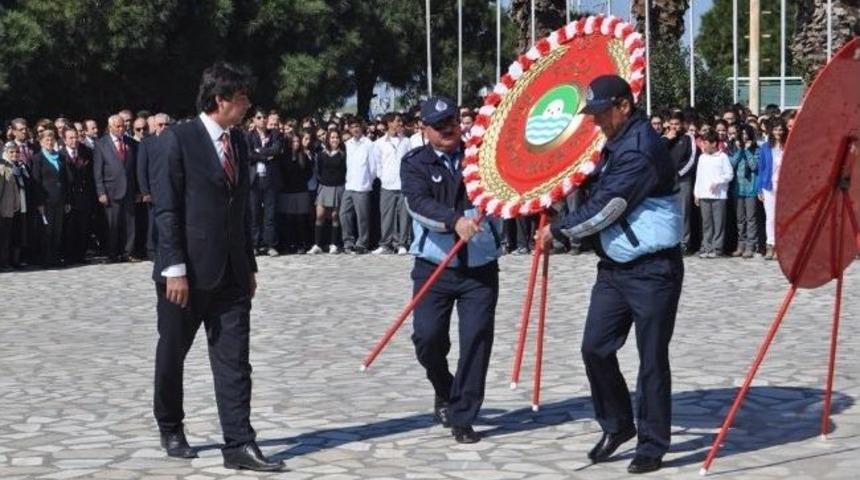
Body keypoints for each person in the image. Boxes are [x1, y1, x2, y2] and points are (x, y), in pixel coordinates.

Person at [537, 75, 683, 474]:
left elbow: (607, 207)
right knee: (595, 347)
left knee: (652, 358)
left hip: (653, 270)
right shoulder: (616, 142)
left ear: (624, 105)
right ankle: (618, 424)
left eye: (601, 112)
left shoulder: (639, 150)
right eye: (592, 113)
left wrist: (559, 229)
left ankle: (652, 445)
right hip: (615, 268)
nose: (595, 121)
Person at [150, 62, 284, 472]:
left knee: (234, 360)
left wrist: (249, 263)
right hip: (185, 274)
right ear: (220, 99)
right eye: (242, 97)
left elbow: (240, 208)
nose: (248, 105)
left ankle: (239, 443)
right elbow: (167, 209)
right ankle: (171, 425)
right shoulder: (177, 139)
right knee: (173, 353)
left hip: (231, 273)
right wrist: (174, 268)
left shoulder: (239, 143)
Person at [401, 96, 503, 444]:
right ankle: (444, 388)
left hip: (480, 266)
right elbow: (418, 204)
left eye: (452, 121)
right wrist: (453, 221)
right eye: (439, 124)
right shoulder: (415, 163)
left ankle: (463, 414)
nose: (448, 129)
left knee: (476, 340)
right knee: (427, 339)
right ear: (424, 129)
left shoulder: (481, 156)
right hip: (434, 265)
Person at [94, 114, 138, 262]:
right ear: (110, 127)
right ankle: (112, 253)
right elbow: (97, 170)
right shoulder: (101, 144)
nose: (121, 129)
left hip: (129, 189)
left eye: (123, 126)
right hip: (111, 190)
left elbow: (135, 169)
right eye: (118, 126)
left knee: (129, 223)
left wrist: (138, 190)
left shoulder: (131, 143)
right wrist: (101, 192)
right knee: (112, 224)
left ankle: (128, 252)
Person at [372, 112, 411, 255]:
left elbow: (410, 161)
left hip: (403, 184)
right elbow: (377, 163)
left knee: (404, 216)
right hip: (387, 184)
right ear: (389, 123)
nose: (400, 124)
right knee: (386, 216)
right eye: (397, 121)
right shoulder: (379, 143)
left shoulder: (407, 141)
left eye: (400, 121)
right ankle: (385, 244)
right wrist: (382, 177)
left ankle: (402, 243)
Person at [247, 109, 283, 257]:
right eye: (259, 117)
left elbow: (276, 150)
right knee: (254, 214)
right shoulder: (248, 136)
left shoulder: (274, 134)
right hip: (254, 180)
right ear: (254, 120)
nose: (262, 120)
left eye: (264, 117)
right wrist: (264, 156)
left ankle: (270, 245)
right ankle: (254, 245)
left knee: (270, 214)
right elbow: (248, 155)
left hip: (270, 179)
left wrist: (259, 151)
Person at [693, 130, 734, 258]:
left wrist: (718, 181)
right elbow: (698, 176)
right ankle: (706, 246)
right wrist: (696, 193)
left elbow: (729, 174)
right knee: (706, 223)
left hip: (719, 195)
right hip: (704, 195)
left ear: (714, 143)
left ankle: (717, 248)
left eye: (705, 143)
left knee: (718, 222)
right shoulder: (702, 158)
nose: (703, 146)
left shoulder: (723, 157)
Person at [61, 128, 96, 264]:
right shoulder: (61, 155)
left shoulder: (86, 152)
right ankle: (69, 255)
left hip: (84, 196)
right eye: (70, 138)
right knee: (70, 227)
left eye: (75, 137)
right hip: (69, 196)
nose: (74, 140)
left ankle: (81, 255)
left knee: (83, 227)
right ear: (64, 140)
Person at [308, 129, 346, 254]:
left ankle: (334, 244)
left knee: (335, 216)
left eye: (336, 137)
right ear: (328, 140)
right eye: (332, 137)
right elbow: (318, 171)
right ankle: (317, 244)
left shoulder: (343, 154)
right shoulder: (321, 154)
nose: (334, 140)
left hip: (338, 187)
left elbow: (344, 170)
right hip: (324, 187)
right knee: (320, 215)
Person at [340, 119, 375, 254]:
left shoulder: (369, 144)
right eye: (352, 127)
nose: (355, 129)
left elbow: (373, 167)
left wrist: (368, 182)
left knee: (363, 217)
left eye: (357, 126)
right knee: (344, 214)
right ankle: (348, 242)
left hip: (362, 186)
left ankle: (362, 243)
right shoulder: (347, 144)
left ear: (361, 128)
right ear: (349, 129)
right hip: (349, 185)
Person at [757, 117, 788, 260]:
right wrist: (759, 189)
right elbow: (761, 169)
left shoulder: (788, 145)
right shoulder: (765, 147)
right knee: (770, 217)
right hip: (768, 186)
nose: (778, 132)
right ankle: (771, 245)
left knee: (782, 217)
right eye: (775, 129)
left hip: (784, 185)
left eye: (781, 129)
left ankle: (781, 247)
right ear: (771, 130)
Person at [663, 112, 694, 253]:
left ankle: (684, 242)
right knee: (668, 212)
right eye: (672, 124)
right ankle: (670, 241)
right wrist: (667, 139)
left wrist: (679, 174)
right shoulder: (665, 138)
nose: (674, 127)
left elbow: (691, 160)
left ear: (682, 124)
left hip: (683, 181)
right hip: (667, 182)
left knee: (683, 212)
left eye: (677, 124)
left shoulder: (688, 138)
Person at [730, 124, 760, 258]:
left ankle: (750, 246)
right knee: (740, 219)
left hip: (751, 189)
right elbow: (731, 165)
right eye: (741, 134)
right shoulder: (734, 149)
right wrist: (739, 151)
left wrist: (747, 151)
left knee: (751, 219)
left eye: (746, 134)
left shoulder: (756, 149)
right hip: (738, 189)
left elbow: (754, 166)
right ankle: (740, 245)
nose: (744, 137)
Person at [0, 143, 21, 271]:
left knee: (5, 238)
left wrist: (16, 203)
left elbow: (12, 188)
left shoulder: (6, 166)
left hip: (6, 209)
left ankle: (4, 262)